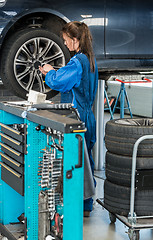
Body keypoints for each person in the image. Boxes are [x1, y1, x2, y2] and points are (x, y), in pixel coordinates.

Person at [39, 21, 98, 217]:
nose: (64, 44)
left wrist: (49, 71)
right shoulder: (90, 60)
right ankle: (86, 205)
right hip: (88, 117)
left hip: (76, 118)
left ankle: (76, 206)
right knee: (86, 161)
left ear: (75, 40)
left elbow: (59, 82)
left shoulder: (77, 61)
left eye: (66, 41)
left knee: (74, 163)